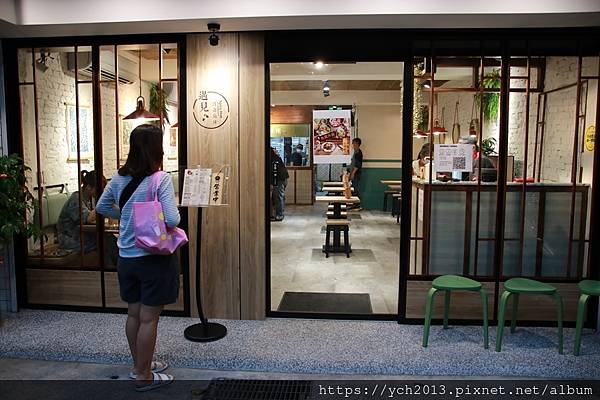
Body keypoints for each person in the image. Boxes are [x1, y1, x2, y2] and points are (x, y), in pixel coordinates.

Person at [96, 124, 181, 391]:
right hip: (153, 258)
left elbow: (101, 206)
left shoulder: (118, 177)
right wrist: (148, 220)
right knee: (149, 318)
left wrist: (127, 216)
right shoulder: (160, 179)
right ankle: (144, 375)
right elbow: (172, 219)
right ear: (156, 149)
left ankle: (139, 366)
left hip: (126, 257)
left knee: (134, 314)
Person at [57, 170, 106, 253]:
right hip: (69, 239)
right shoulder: (76, 199)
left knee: (107, 239)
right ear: (88, 187)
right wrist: (104, 201)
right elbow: (88, 218)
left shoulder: (90, 198)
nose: (102, 191)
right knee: (104, 242)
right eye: (99, 189)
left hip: (82, 235)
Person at [270, 146, 289, 221]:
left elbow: (273, 172)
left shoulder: (272, 158)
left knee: (278, 197)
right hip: (283, 178)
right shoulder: (276, 157)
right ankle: (280, 213)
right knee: (280, 196)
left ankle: (279, 215)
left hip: (279, 179)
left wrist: (272, 183)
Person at [347, 137, 363, 210]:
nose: (352, 144)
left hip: (356, 174)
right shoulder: (355, 152)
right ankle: (355, 204)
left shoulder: (358, 153)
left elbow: (357, 165)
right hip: (353, 173)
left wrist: (353, 174)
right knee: (353, 188)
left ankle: (358, 205)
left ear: (357, 144)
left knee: (355, 189)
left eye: (353, 143)